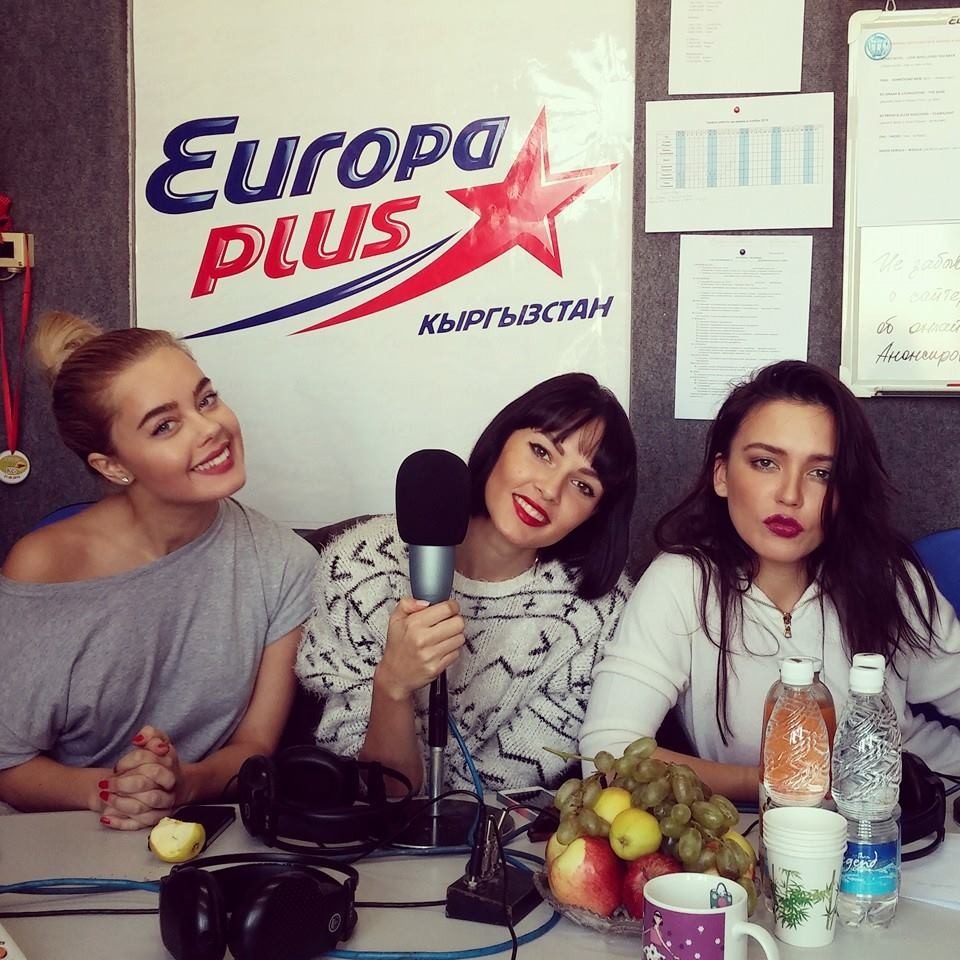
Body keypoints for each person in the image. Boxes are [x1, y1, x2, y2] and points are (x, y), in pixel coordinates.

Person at [580, 359, 960, 801]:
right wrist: (777, 784)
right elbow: (608, 757)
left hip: (920, 812)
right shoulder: (681, 583)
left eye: (821, 473)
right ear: (722, 475)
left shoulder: (889, 578)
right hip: (766, 828)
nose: (790, 495)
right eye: (765, 462)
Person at [0, 312, 317, 828]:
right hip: (54, 835)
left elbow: (254, 747)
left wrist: (184, 783)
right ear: (112, 466)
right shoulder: (43, 564)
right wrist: (110, 791)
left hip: (199, 831)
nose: (211, 428)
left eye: (206, 399)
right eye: (165, 425)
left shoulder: (285, 563)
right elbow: (9, 763)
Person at [296, 372, 637, 792]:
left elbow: (497, 794)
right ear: (501, 441)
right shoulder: (360, 566)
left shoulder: (595, 615)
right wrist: (393, 685)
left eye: (583, 485)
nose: (550, 490)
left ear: (597, 513)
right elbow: (380, 793)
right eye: (541, 452)